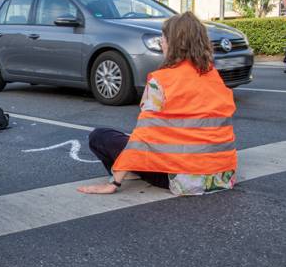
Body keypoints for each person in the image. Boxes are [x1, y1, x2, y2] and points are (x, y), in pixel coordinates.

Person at [79, 11, 237, 196]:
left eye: (163, 37)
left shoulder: (162, 80)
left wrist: (115, 183)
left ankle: (129, 173)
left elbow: (144, 135)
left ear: (174, 44)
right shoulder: (213, 75)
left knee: (100, 136)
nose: (162, 42)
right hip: (222, 176)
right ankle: (132, 170)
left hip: (182, 178)